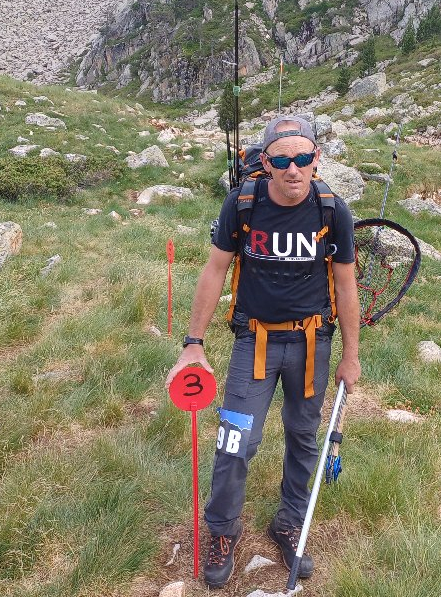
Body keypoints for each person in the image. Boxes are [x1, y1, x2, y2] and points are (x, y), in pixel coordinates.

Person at [166, 116, 361, 588]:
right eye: (282, 159)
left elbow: (345, 283)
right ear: (267, 163)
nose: (293, 169)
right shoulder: (243, 204)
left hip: (312, 342)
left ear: (316, 159)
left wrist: (351, 355)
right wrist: (193, 344)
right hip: (254, 341)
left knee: (304, 436)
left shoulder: (332, 210)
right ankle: (222, 530)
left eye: (303, 158)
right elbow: (215, 269)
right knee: (236, 439)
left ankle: (290, 523)